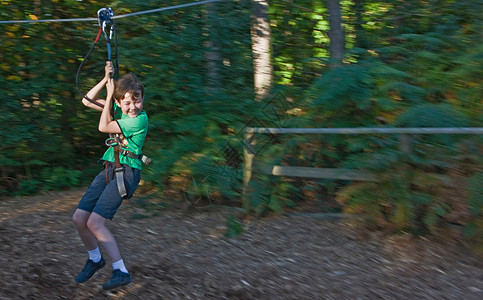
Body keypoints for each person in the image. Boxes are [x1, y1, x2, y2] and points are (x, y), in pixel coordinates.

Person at [72, 61, 148, 290]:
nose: (133, 107)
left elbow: (103, 127)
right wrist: (106, 81)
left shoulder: (138, 119)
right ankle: (95, 259)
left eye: (137, 100)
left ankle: (121, 271)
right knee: (79, 219)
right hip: (109, 168)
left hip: (127, 172)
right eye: (126, 102)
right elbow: (86, 100)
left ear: (142, 99)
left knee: (95, 223)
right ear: (119, 102)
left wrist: (111, 99)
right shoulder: (118, 108)